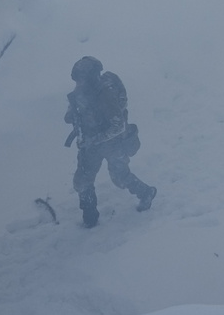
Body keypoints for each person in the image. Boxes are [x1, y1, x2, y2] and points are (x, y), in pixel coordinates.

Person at [64, 56, 156, 228]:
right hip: (90, 145)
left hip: (112, 144)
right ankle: (90, 217)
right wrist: (72, 114)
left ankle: (146, 192)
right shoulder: (81, 92)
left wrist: (95, 139)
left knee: (120, 177)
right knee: (82, 181)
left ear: (90, 77)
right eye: (77, 79)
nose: (79, 83)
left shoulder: (104, 94)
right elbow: (71, 114)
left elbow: (118, 125)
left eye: (82, 79)